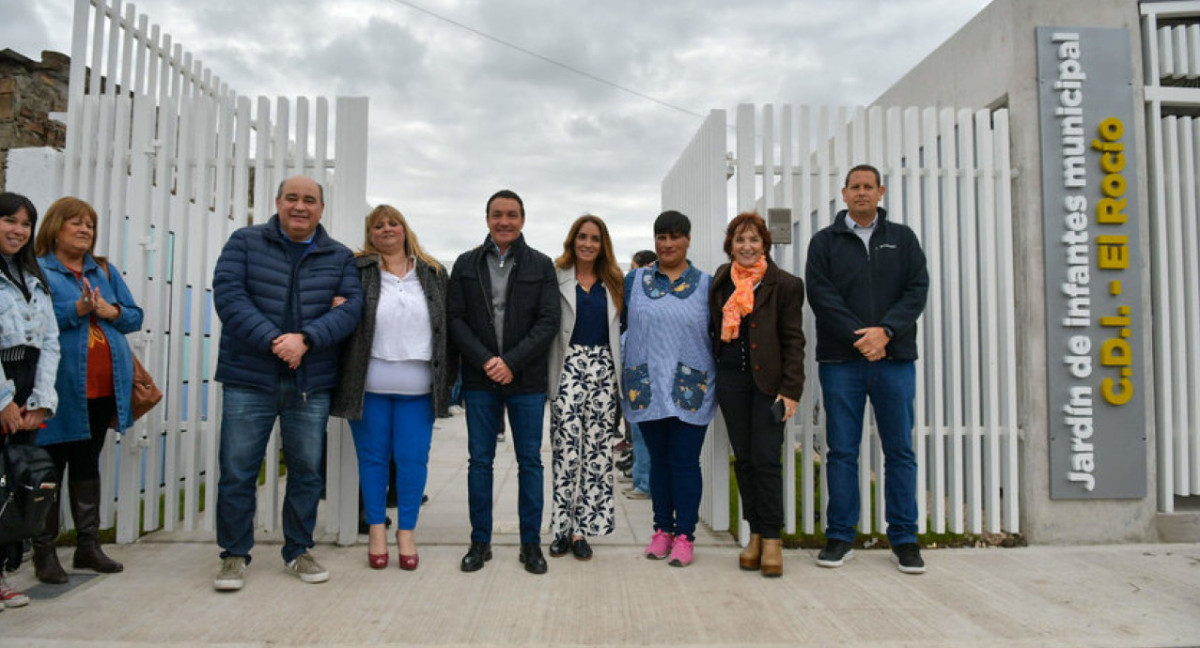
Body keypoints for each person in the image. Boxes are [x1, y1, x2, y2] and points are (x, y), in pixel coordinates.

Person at [210, 176, 363, 591]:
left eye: (309, 200)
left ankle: (298, 549)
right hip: (249, 378)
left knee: (307, 471)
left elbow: (351, 310)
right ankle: (234, 554)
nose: (300, 206)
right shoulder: (244, 242)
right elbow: (229, 296)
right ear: (277, 202)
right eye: (292, 198)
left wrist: (306, 339)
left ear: (321, 208)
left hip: (309, 383)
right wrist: (277, 342)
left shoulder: (340, 255)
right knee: (239, 471)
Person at [805, 163, 929, 574]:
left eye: (868, 187)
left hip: (894, 361)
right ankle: (840, 536)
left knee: (900, 452)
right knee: (841, 451)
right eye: (854, 187)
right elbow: (821, 294)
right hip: (842, 362)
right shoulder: (824, 242)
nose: (861, 193)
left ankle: (905, 539)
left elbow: (917, 289)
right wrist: (863, 337)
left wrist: (887, 332)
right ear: (843, 194)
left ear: (881, 192)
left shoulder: (903, 239)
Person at [331, 205, 452, 571]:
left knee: (413, 460)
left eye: (393, 223)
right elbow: (339, 310)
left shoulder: (432, 272)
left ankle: (407, 533)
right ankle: (377, 531)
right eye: (378, 225)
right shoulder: (356, 270)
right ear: (370, 234)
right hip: (369, 386)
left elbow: (447, 324)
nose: (387, 229)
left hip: (419, 388)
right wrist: (334, 305)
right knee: (373, 461)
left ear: (405, 228)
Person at [33, 196, 144, 584]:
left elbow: (134, 317)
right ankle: (44, 552)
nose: (84, 231)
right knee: (49, 466)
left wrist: (110, 311)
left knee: (86, 463)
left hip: (102, 388)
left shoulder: (102, 271)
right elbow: (32, 325)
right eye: (75, 223)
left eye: (90, 225)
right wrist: (76, 310)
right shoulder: (39, 270)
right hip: (59, 388)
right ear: (55, 227)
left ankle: (87, 546)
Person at [448, 189, 559, 575]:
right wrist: (486, 361)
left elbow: (548, 321)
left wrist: (510, 361)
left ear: (523, 220)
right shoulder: (465, 264)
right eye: (497, 214)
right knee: (480, 462)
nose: (504, 222)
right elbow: (456, 320)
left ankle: (531, 544)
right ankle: (480, 542)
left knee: (530, 462)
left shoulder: (541, 265)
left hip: (525, 380)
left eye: (512, 215)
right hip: (481, 380)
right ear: (487, 219)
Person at [708, 212, 806, 578]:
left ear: (765, 244)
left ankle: (774, 540)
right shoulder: (721, 281)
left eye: (753, 240)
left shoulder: (785, 284)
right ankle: (755, 535)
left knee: (767, 461)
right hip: (732, 383)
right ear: (730, 246)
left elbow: (794, 340)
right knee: (744, 461)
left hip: (769, 387)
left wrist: (791, 389)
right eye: (739, 240)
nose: (746, 246)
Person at [621, 210, 717, 567]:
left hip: (690, 385)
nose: (668, 244)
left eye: (675, 236)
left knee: (685, 462)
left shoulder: (706, 284)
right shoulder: (635, 281)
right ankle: (662, 529)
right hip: (646, 384)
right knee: (659, 462)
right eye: (661, 237)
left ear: (688, 240)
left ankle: (685, 536)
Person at [546, 215, 623, 561]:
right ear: (572, 240)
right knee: (566, 452)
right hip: (568, 369)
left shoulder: (615, 282)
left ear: (602, 243)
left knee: (596, 455)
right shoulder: (556, 276)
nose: (588, 244)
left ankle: (581, 531)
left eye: (594, 238)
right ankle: (560, 529)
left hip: (603, 371)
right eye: (582, 237)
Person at [0, 193, 59, 607]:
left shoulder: (33, 279)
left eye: (25, 224)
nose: (18, 230)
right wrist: (2, 399)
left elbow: (50, 342)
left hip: (26, 393)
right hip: (3, 387)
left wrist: (39, 400)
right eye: (9, 221)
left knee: (10, 486)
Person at [622, 249, 656, 501]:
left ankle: (644, 482)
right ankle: (640, 478)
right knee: (638, 428)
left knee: (642, 428)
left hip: (643, 368)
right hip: (637, 367)